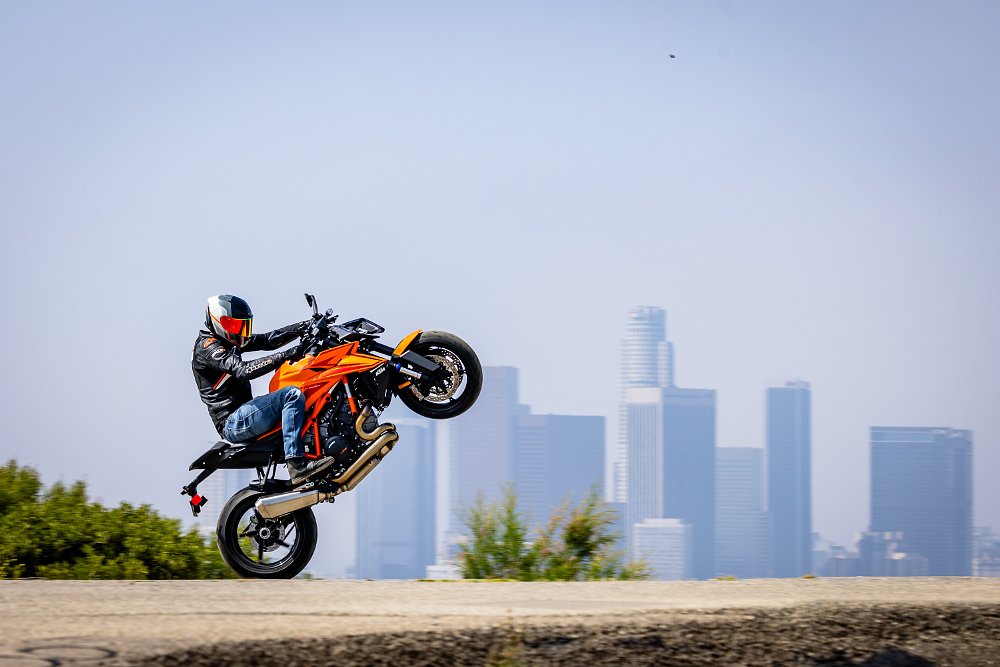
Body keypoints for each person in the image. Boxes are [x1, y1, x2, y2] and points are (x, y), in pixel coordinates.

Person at [192, 294, 335, 485]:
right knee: (291, 396)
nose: (241, 331)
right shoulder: (208, 347)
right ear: (220, 322)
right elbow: (243, 370)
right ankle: (296, 465)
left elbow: (267, 340)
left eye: (244, 325)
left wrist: (304, 326)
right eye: (236, 325)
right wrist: (286, 354)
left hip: (244, 413)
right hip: (233, 422)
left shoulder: (230, 341)